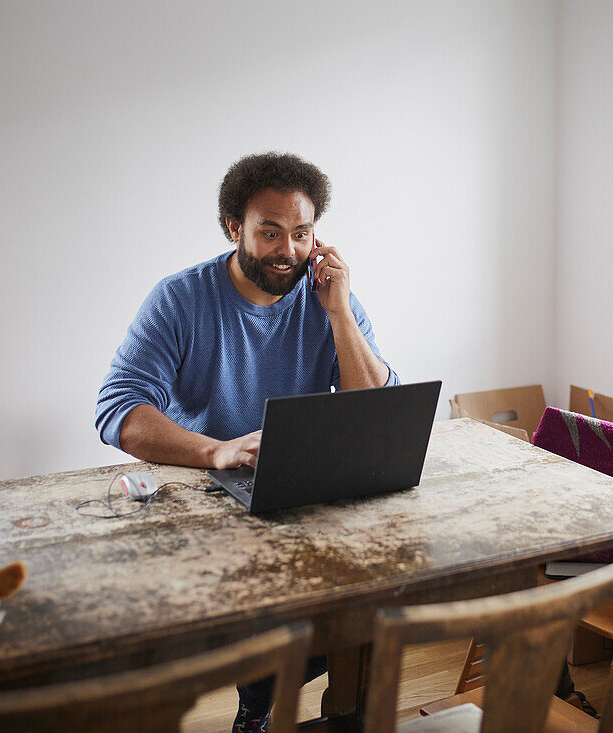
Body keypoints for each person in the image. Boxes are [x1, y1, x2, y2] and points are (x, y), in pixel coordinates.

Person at [95, 152, 399, 732]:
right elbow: (119, 411)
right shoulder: (181, 299)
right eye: (269, 232)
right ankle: (259, 709)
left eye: (302, 233)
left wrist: (340, 316)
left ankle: (332, 708)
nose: (288, 251)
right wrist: (215, 450)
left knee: (377, 595)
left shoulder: (327, 294)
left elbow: (377, 406)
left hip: (305, 494)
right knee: (272, 607)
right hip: (211, 501)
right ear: (234, 228)